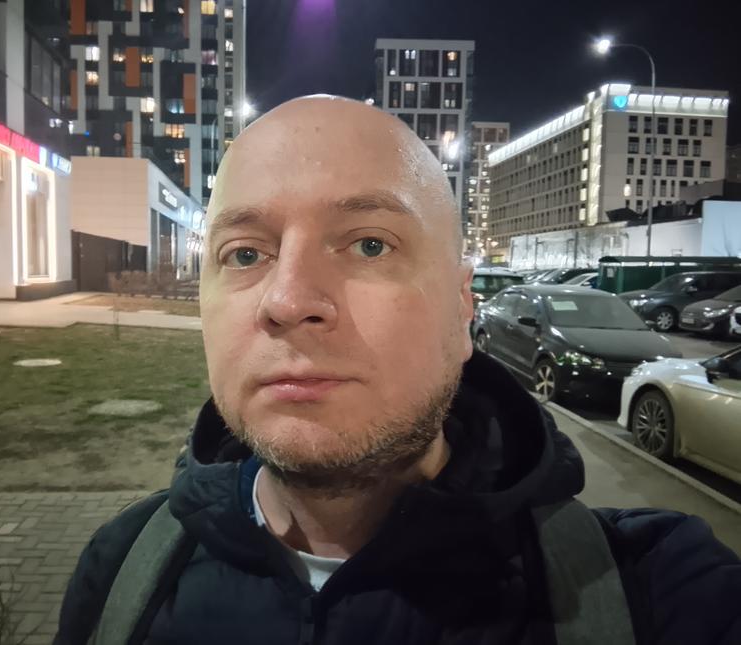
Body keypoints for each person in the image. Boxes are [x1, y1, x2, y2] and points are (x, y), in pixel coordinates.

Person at [54, 96, 741, 645]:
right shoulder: (122, 572)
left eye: (370, 245)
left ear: (463, 308)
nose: (287, 301)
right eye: (244, 253)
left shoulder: (655, 591)